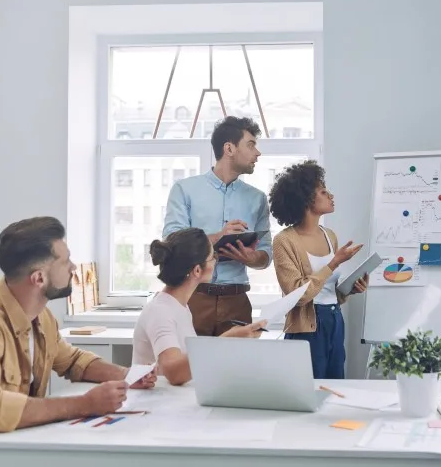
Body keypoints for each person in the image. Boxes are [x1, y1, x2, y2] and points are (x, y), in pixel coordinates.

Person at [0, 216, 156, 467]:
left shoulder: (40, 317)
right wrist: (84, 404)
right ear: (38, 278)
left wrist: (128, 375)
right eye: (65, 260)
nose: (73, 267)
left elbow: (73, 361)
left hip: (6, 452)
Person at [163, 116, 272, 337]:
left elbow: (266, 255)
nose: (257, 153)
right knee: (190, 370)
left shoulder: (258, 199)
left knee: (237, 371)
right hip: (193, 299)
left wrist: (252, 258)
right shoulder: (184, 189)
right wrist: (217, 237)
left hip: (238, 301)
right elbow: (172, 241)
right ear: (229, 148)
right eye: (251, 145)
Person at [132, 228, 268, 386]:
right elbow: (173, 372)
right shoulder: (160, 311)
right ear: (197, 270)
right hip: (157, 406)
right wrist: (226, 340)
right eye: (213, 257)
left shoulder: (179, 306)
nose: (216, 261)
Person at [269, 160, 367, 379]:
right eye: (324, 191)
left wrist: (349, 290)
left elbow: (328, 292)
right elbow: (297, 295)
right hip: (307, 328)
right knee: (307, 390)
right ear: (305, 199)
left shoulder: (329, 235)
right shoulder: (284, 241)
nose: (331, 195)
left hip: (334, 319)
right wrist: (333, 264)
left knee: (335, 386)